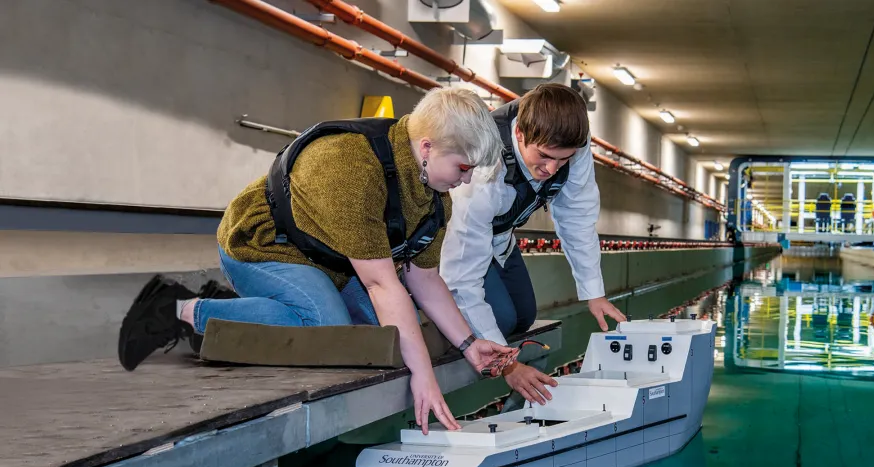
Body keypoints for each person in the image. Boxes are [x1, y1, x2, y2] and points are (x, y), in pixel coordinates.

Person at [118, 87, 519, 433]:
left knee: (395, 334)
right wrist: (425, 379)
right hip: (264, 246)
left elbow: (425, 279)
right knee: (328, 330)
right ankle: (180, 308)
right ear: (428, 147)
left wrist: (469, 344)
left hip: (330, 262)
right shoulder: (350, 166)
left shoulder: (431, 195)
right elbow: (382, 284)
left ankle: (246, 308)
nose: (465, 181)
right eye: (463, 168)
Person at [440, 83, 627, 405]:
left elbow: (577, 218)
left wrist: (594, 293)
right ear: (521, 135)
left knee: (524, 317)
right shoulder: (485, 165)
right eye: (543, 157)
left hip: (501, 238)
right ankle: (428, 312)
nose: (551, 169)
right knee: (501, 319)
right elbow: (461, 276)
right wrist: (507, 366)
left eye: (562, 160)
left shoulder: (573, 148)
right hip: (454, 240)